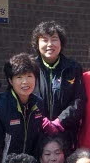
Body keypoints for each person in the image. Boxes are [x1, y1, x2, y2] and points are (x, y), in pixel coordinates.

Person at [31, 20, 86, 148]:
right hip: (35, 133)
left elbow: (79, 100)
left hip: (65, 133)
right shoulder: (30, 67)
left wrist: (59, 121)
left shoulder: (73, 68)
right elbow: (25, 98)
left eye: (54, 39)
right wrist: (42, 120)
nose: (50, 44)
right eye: (44, 40)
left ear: (61, 43)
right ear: (37, 44)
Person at [0, 52, 44, 163]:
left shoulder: (39, 104)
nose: (25, 82)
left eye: (29, 76)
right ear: (10, 81)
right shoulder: (0, 105)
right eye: (19, 77)